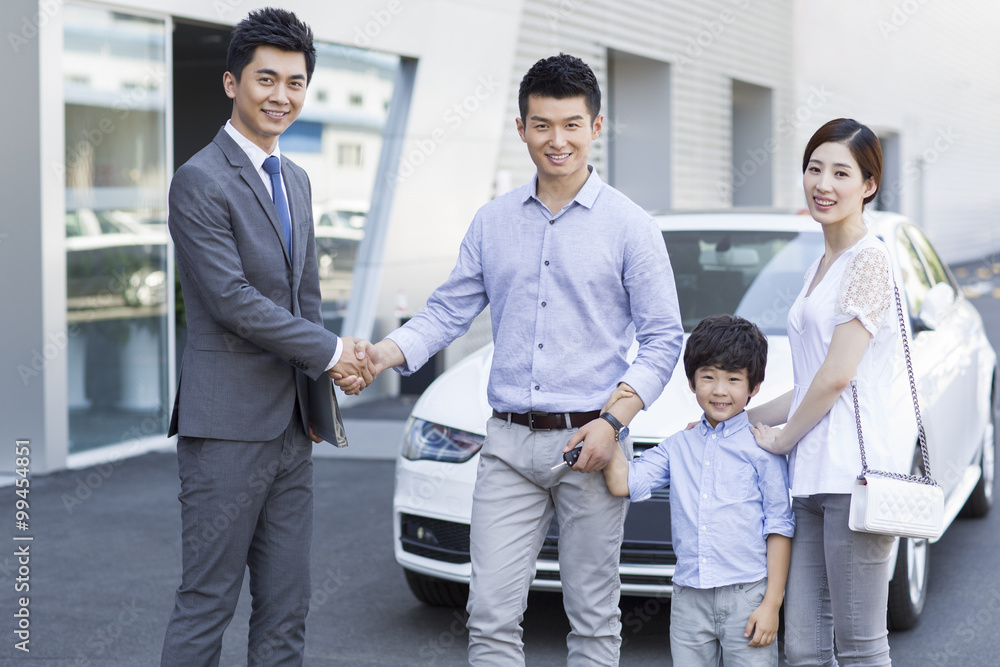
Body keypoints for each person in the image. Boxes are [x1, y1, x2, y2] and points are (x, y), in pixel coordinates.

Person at [345, 53, 683, 665]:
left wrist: (613, 424)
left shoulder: (633, 228)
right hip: (506, 445)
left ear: (596, 128)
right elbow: (447, 312)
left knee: (593, 621)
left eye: (572, 124)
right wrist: (381, 356)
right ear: (522, 127)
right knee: (491, 618)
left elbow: (663, 340)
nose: (558, 140)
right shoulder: (493, 221)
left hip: (591, 442)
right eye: (543, 125)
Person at [161, 8, 374, 666]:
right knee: (208, 602)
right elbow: (232, 302)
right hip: (225, 430)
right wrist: (338, 353)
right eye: (267, 79)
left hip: (290, 431)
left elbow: (302, 298)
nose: (282, 95)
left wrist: (318, 396)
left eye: (296, 82)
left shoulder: (298, 180)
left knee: (287, 606)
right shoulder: (199, 180)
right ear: (232, 83)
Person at [749, 118, 900, 666]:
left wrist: (782, 439)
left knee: (859, 648)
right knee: (805, 650)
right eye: (815, 168)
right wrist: (737, 421)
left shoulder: (870, 260)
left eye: (841, 172)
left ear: (868, 185)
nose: (823, 183)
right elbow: (814, 378)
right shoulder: (821, 262)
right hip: (811, 478)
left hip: (853, 477)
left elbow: (838, 376)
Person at [603, 315, 794, 666]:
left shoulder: (762, 449)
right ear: (692, 382)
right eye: (708, 377)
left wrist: (772, 604)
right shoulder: (678, 446)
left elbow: (779, 526)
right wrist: (611, 421)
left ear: (754, 387)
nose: (719, 390)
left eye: (734, 379)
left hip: (748, 595)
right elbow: (622, 482)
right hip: (689, 598)